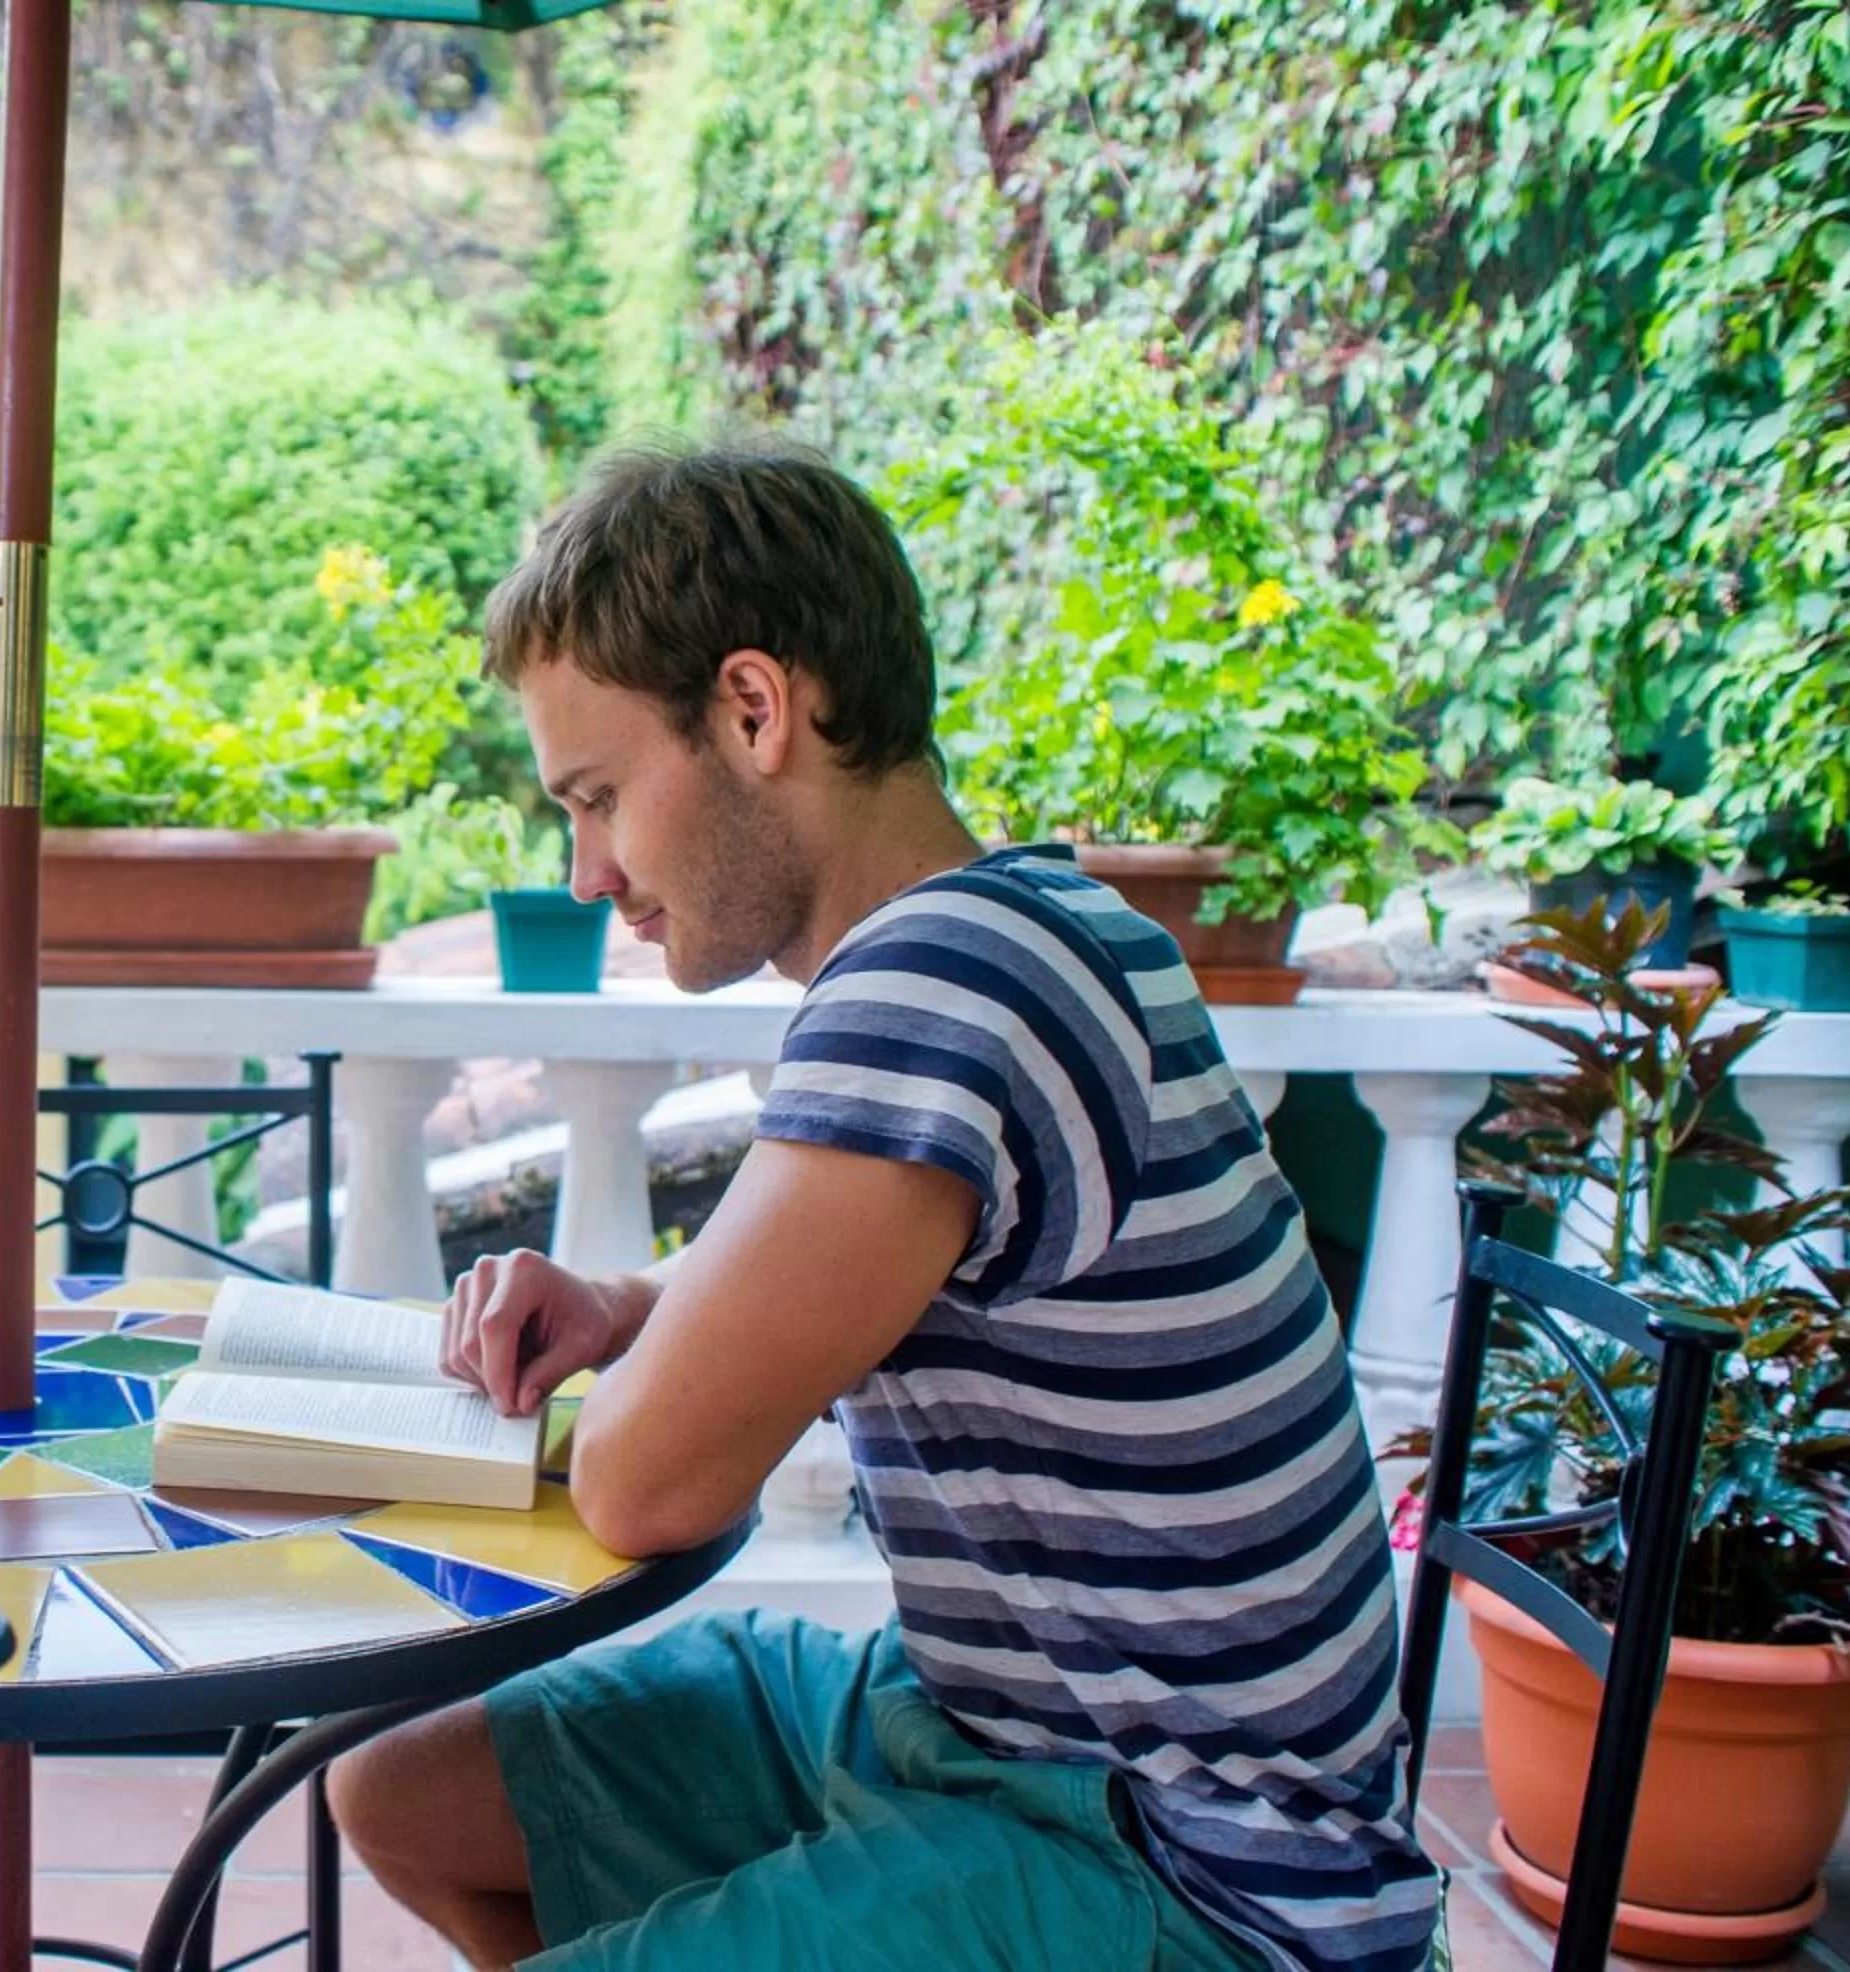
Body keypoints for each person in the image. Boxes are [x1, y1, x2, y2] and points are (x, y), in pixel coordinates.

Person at [326, 438, 1441, 1972]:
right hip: (994, 1725)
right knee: (407, 1797)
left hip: (1190, 1872)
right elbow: (893, 1294)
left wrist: (653, 1370)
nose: (588, 873)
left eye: (597, 798)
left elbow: (647, 1490)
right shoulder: (1053, 920)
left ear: (755, 710)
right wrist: (630, 1310)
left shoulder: (938, 990)